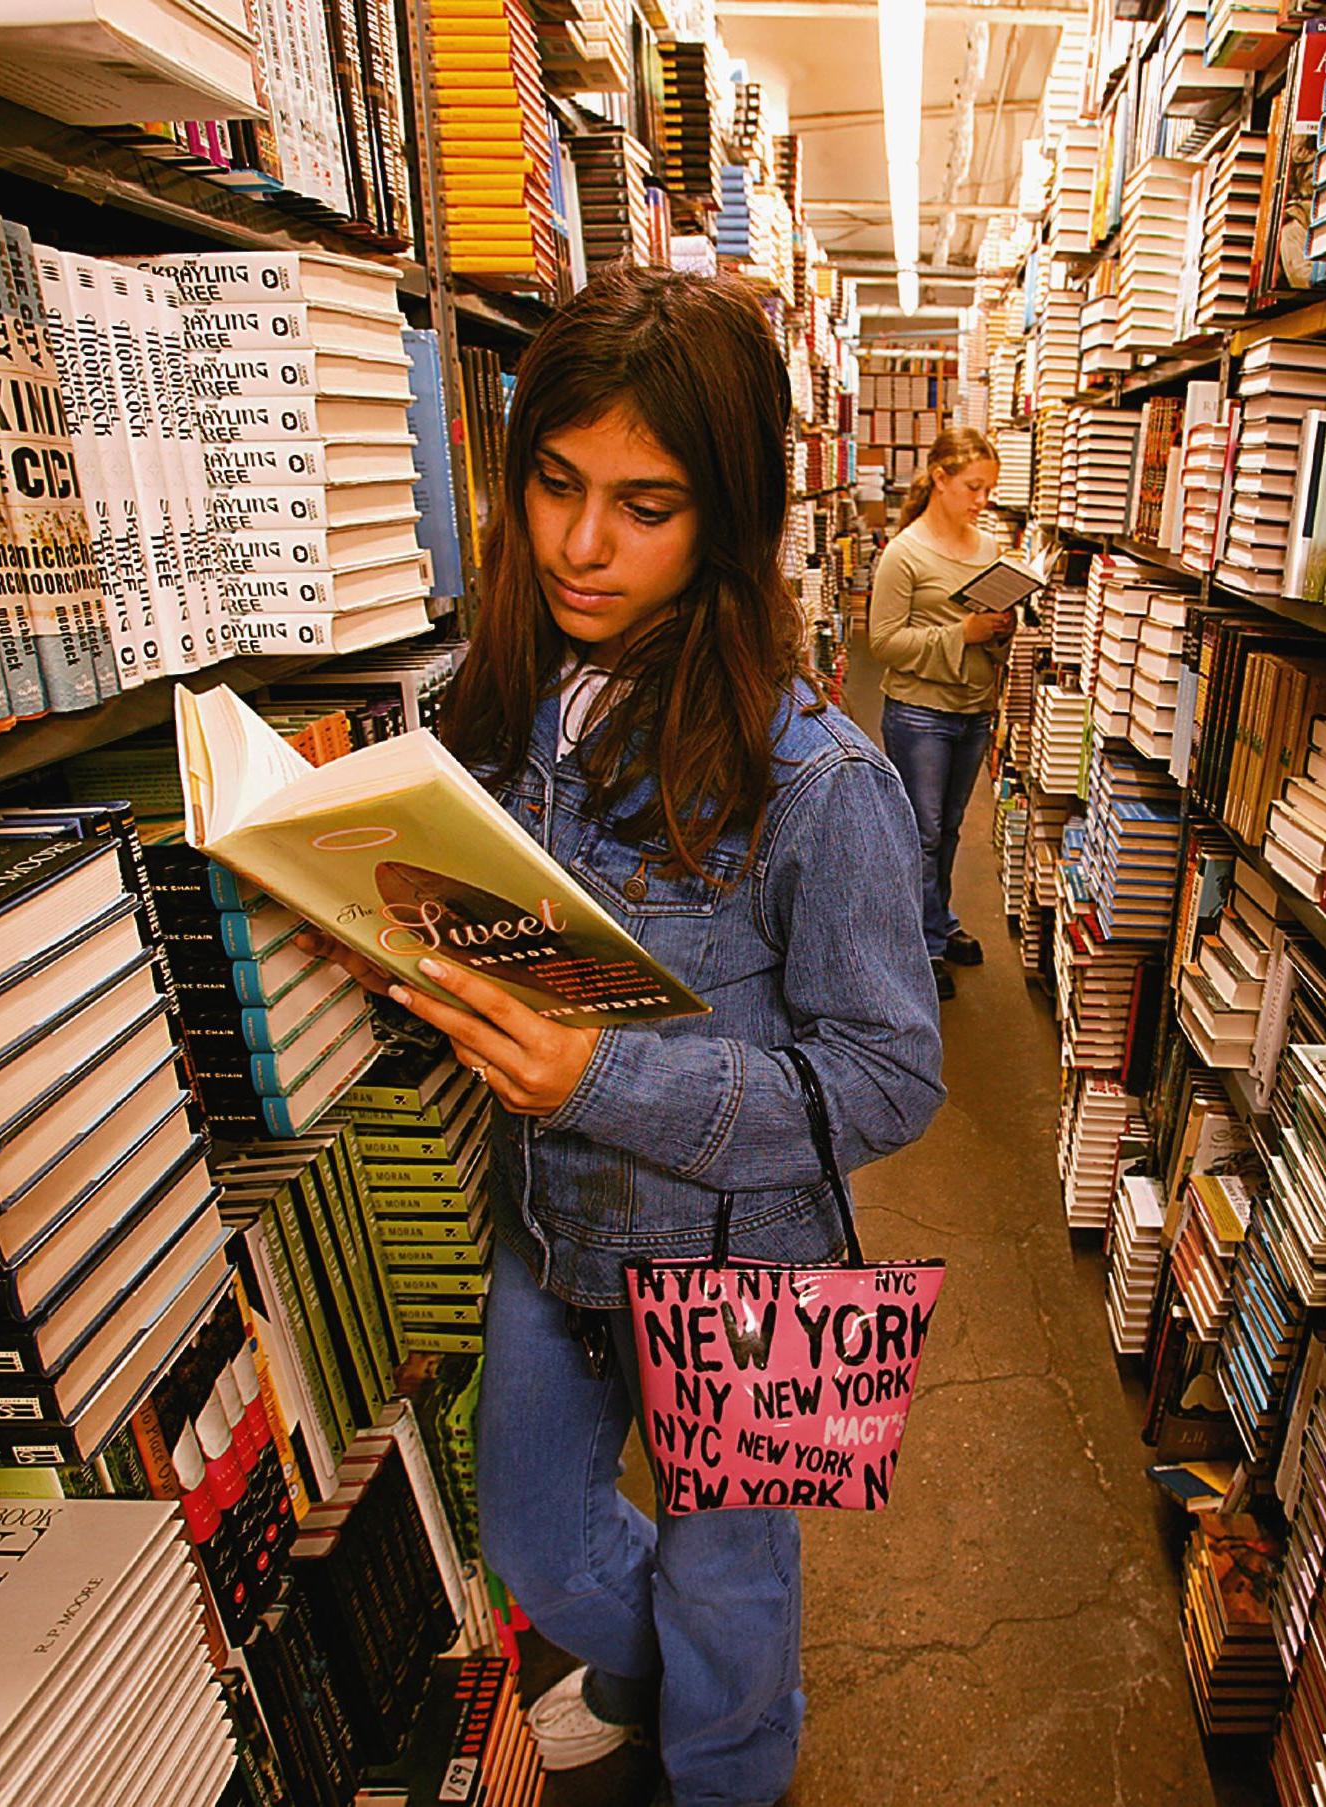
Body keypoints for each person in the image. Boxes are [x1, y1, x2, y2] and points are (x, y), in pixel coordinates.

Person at [299, 265, 945, 1807]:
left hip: (746, 1254)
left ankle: (732, 1764)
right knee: (531, 1533)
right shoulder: (514, 700)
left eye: (645, 506)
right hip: (552, 1219)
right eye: (555, 485)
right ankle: (670, 1666)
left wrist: (603, 1073)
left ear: (725, 515)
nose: (583, 544)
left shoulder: (821, 779)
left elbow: (889, 1071)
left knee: (734, 1577)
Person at [865, 426, 1013, 1001]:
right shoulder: (904, 554)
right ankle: (918, 943)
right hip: (921, 711)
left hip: (975, 708)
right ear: (940, 479)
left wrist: (998, 631)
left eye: (989, 489)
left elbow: (993, 631)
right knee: (920, 833)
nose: (982, 500)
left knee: (948, 828)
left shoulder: (988, 550)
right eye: (974, 487)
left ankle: (939, 920)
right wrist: (963, 633)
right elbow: (883, 641)